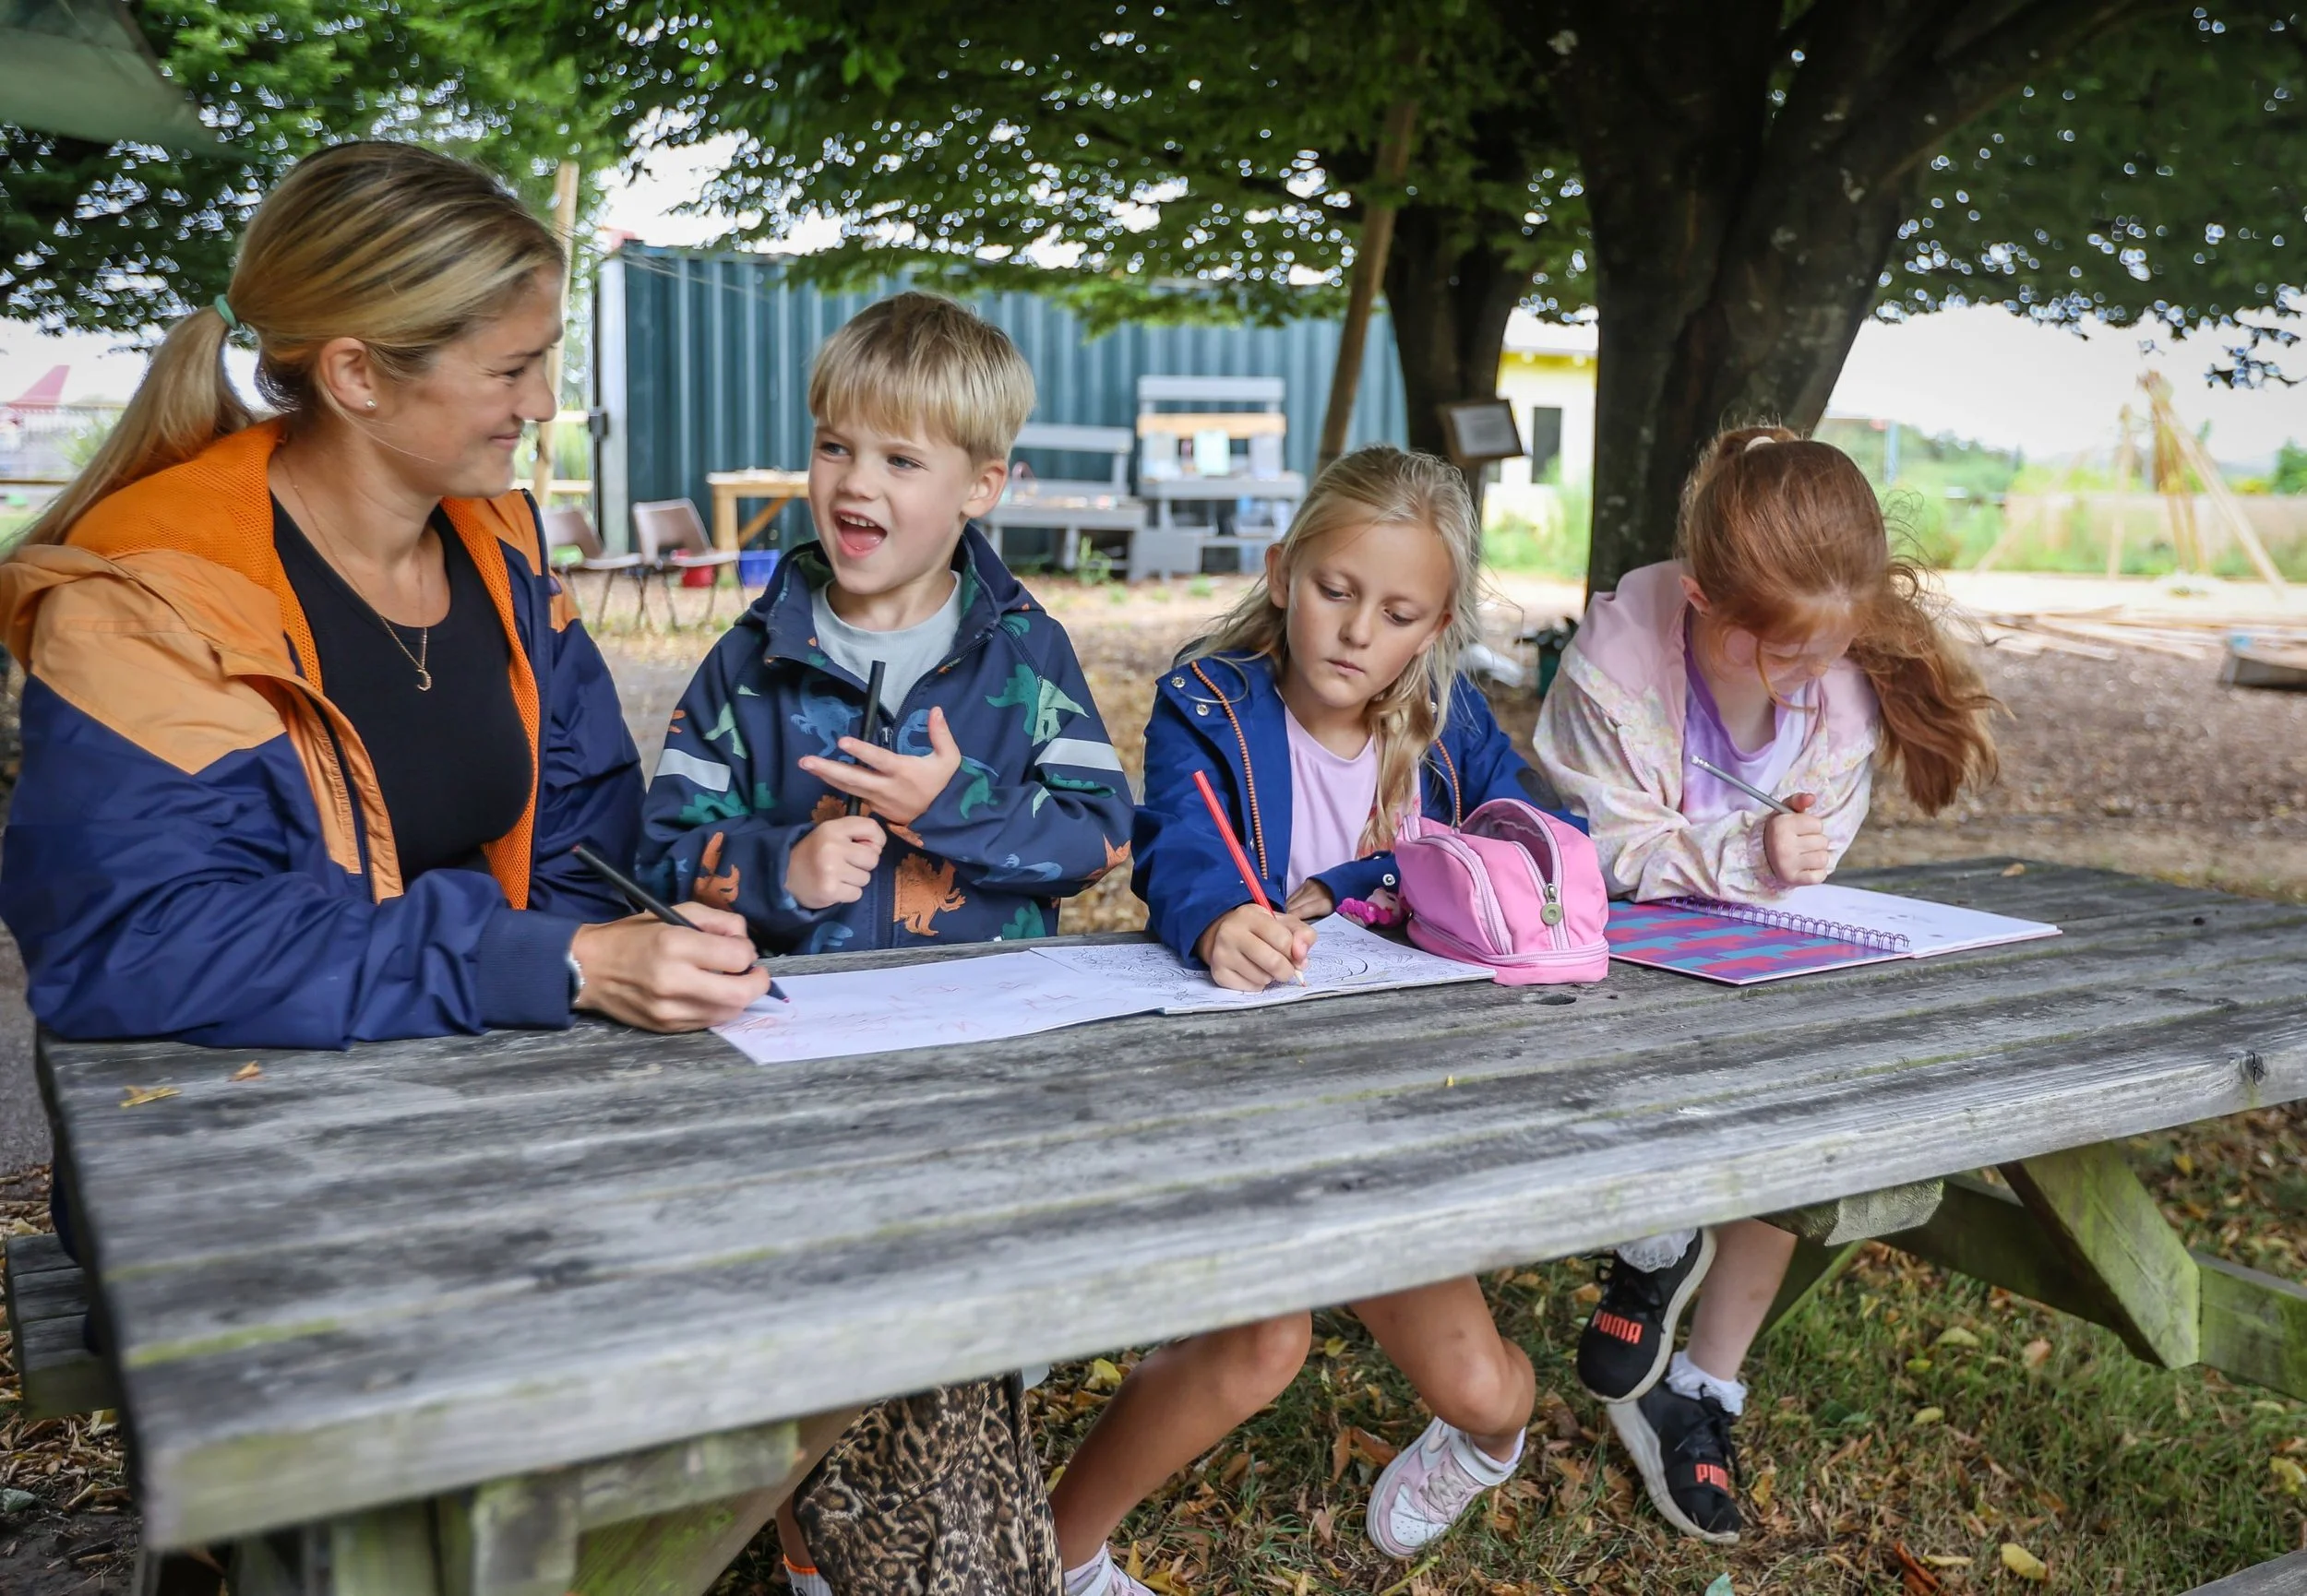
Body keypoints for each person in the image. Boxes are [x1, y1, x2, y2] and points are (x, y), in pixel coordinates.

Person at [0, 140, 769, 1049]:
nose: (543, 405)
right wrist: (555, 964)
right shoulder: (149, 598)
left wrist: (626, 954)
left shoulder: (509, 554)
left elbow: (583, 843)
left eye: (544, 360)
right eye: (508, 369)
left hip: (486, 1084)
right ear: (357, 374)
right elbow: (136, 941)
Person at [637, 291, 1133, 1596]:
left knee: (966, 1333)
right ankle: (813, 1548)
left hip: (982, 1067)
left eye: (901, 460)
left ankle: (940, 1505)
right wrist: (778, 869)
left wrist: (955, 809)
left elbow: (1099, 838)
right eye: (835, 447)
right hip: (801, 1065)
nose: (854, 485)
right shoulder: (753, 661)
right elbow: (658, 847)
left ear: (983, 483)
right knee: (828, 1313)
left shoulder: (1023, 657)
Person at [1052, 447, 1581, 1594]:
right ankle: (1055, 1556)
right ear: (1284, 571)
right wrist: (1212, 919)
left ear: (1436, 625)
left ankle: (1485, 1446)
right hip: (1250, 1098)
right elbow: (1178, 847)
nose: (1354, 632)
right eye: (1335, 590)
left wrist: (1351, 889)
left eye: (1396, 612)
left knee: (1487, 1388)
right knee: (1262, 1336)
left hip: (1400, 1109)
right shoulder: (1210, 700)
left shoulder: (1450, 727)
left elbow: (1540, 847)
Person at [1531, 423, 1998, 1543]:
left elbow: (1815, 846)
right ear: (1699, 597)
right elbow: (1594, 847)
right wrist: (1748, 850)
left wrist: (1786, 853)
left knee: (1801, 1085)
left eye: (1826, 651)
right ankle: (1652, 1238)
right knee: (1652, 1070)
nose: (1806, 679)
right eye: (1780, 654)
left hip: (1758, 943)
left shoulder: (1835, 678)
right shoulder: (1613, 662)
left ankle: (1704, 1384)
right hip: (1614, 951)